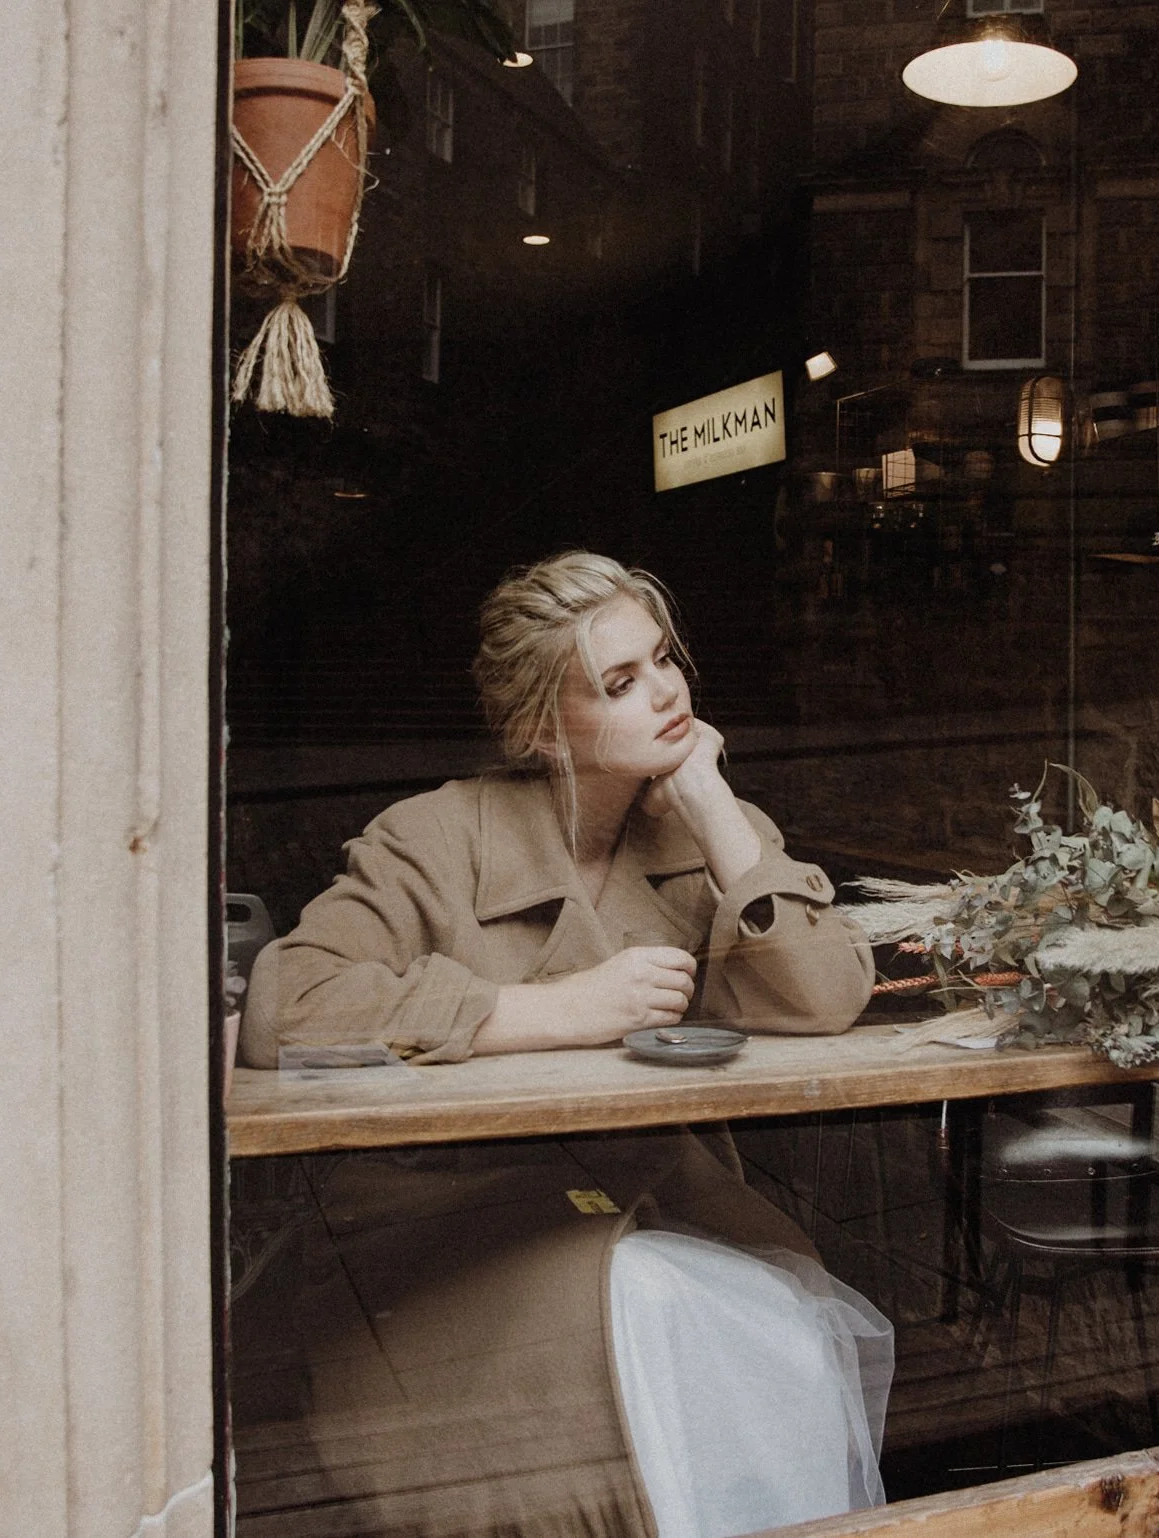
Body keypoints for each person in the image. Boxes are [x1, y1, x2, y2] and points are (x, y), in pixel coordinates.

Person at [238, 552, 889, 1538]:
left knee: (775, 1317)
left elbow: (826, 996)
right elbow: (286, 1015)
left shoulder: (712, 830)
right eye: (621, 683)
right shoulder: (434, 836)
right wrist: (554, 1009)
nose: (666, 691)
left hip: (656, 1200)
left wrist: (713, 802)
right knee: (681, 1311)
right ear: (541, 728)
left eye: (665, 660)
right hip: (448, 1235)